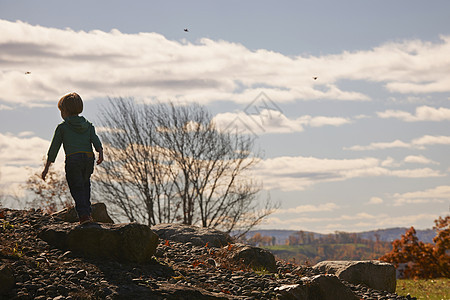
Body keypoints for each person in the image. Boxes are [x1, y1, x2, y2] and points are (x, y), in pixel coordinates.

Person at [41, 92, 103, 225]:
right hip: (88, 158)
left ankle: (84, 215)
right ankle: (87, 213)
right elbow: (95, 140)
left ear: (65, 111)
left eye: (61, 110)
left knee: (76, 187)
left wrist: (46, 168)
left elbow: (54, 148)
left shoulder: (62, 127)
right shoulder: (88, 125)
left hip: (73, 159)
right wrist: (100, 152)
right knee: (85, 185)